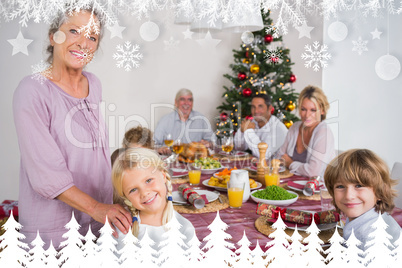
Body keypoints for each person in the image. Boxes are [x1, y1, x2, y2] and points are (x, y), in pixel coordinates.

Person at [12, 8, 131, 248]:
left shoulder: (93, 84)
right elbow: (46, 175)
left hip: (99, 220)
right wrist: (96, 207)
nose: (83, 43)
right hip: (54, 228)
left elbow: (90, 153)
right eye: (74, 30)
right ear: (53, 36)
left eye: (92, 36)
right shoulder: (32, 90)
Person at [112, 148, 195, 250]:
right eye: (133, 190)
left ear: (163, 175)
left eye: (148, 180)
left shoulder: (184, 228)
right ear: (125, 196)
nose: (144, 193)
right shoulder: (121, 227)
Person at [324, 149, 401, 250]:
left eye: (359, 185)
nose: (348, 196)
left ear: (380, 192)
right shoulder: (368, 217)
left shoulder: (370, 240)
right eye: (340, 186)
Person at [276, 86, 335, 177]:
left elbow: (313, 172)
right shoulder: (295, 127)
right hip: (292, 184)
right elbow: (279, 156)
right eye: (303, 109)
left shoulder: (324, 133)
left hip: (317, 188)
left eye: (313, 110)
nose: (307, 115)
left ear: (322, 110)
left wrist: (290, 163)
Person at [154, 88, 213, 154]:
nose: (186, 103)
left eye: (189, 100)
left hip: (195, 160)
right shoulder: (165, 120)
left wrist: (209, 143)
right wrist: (159, 149)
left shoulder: (201, 119)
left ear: (192, 103)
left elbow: (213, 141)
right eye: (182, 99)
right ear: (176, 102)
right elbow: (154, 143)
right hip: (171, 160)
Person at [234, 94, 288, 158]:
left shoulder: (278, 128)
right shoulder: (253, 122)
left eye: (260, 106)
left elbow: (264, 155)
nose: (256, 111)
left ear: (270, 108)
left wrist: (249, 131)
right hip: (257, 166)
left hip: (276, 167)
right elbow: (239, 148)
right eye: (253, 107)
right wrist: (242, 131)